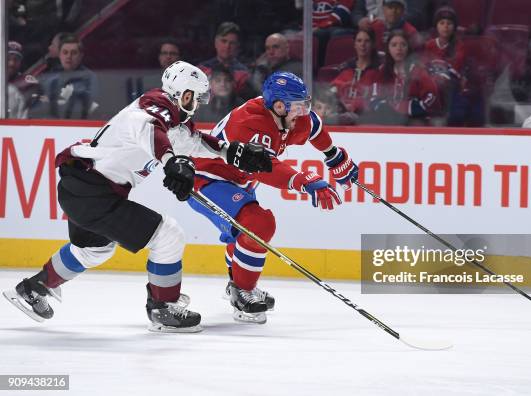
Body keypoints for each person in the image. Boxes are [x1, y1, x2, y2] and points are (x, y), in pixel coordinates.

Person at [2, 61, 272, 333]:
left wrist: (234, 152)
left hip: (81, 185)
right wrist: (171, 161)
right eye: (197, 97)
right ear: (184, 94)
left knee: (94, 249)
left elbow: (195, 141)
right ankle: (163, 308)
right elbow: (150, 129)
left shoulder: (173, 121)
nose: (199, 103)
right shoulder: (153, 107)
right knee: (168, 234)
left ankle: (32, 289)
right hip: (94, 190)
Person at [187, 72, 359, 324]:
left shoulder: (288, 114)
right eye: (298, 106)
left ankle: (239, 284)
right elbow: (263, 167)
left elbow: (313, 125)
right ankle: (242, 292)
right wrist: (304, 181)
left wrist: (333, 155)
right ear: (279, 106)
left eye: (304, 104)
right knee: (258, 224)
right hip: (207, 180)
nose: (303, 111)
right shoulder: (247, 123)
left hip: (239, 181)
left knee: (244, 233)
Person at [368, 30, 442, 124]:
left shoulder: (418, 71)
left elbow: (432, 97)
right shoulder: (382, 71)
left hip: (414, 121)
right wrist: (386, 109)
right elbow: (373, 99)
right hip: (388, 120)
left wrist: (408, 108)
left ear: (408, 48)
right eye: (394, 45)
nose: (399, 48)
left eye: (403, 45)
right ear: (388, 49)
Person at [40, 34, 99, 119]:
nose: (69, 56)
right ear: (59, 55)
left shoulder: (90, 78)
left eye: (74, 53)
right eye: (65, 52)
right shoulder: (51, 78)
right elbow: (44, 105)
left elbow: (93, 107)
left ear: (81, 56)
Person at [330, 28, 380, 115]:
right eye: (359, 41)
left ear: (373, 44)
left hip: (368, 116)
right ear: (355, 44)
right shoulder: (346, 68)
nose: (363, 44)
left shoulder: (379, 70)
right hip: (343, 114)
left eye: (367, 41)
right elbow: (332, 90)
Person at [198, 22, 250, 97]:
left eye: (232, 43)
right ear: (216, 43)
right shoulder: (201, 70)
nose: (227, 46)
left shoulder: (245, 75)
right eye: (223, 41)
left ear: (238, 46)